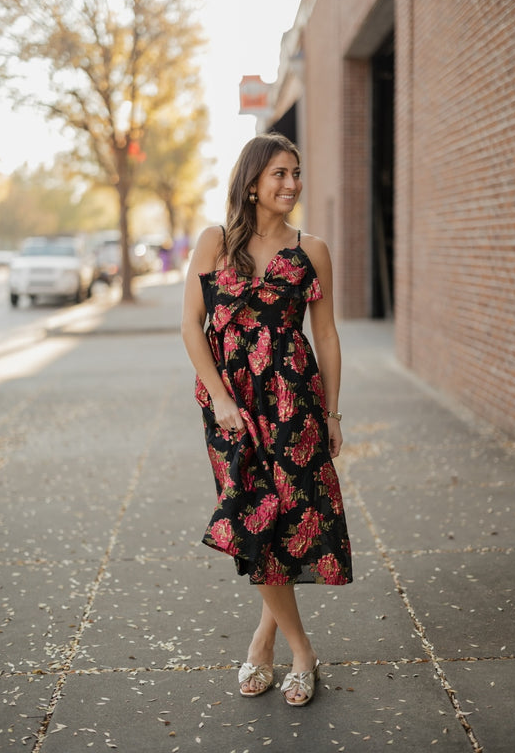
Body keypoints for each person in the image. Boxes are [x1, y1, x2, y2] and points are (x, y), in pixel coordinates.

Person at [181, 133, 352, 707]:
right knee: (253, 516)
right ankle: (300, 646)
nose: (291, 184)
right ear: (252, 182)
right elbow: (191, 327)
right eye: (280, 173)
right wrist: (221, 399)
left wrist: (330, 411)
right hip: (230, 407)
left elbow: (325, 336)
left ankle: (267, 642)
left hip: (292, 401)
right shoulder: (214, 243)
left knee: (287, 518)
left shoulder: (313, 250)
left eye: (297, 173)